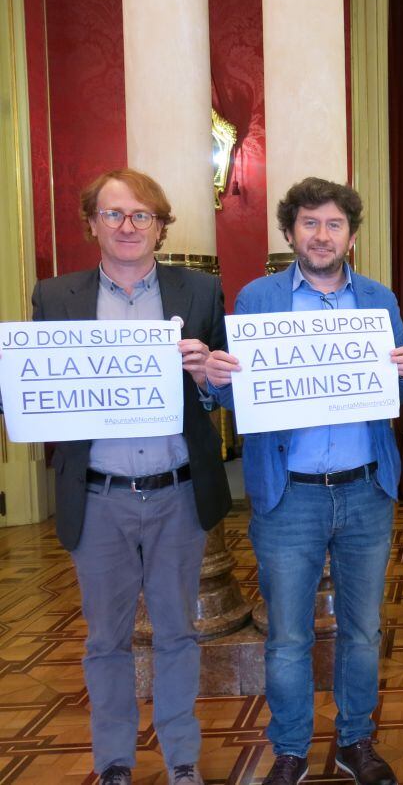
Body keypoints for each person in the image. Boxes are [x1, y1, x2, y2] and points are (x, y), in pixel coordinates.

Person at [15, 169, 232, 785]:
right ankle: (113, 761)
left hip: (178, 493)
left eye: (141, 215)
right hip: (99, 496)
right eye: (114, 214)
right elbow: (41, 388)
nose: (128, 225)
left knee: (177, 634)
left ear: (161, 226)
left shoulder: (198, 291)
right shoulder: (56, 297)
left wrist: (208, 374)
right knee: (105, 640)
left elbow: (220, 396)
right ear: (92, 225)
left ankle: (181, 759)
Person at [204, 178, 403, 785]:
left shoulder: (379, 298)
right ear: (290, 231)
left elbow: (400, 388)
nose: (321, 235)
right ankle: (291, 749)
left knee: (361, 630)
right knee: (288, 636)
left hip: (364, 490)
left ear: (351, 235)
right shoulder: (256, 298)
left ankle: (356, 742)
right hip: (288, 495)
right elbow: (231, 390)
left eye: (333, 225)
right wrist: (216, 375)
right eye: (309, 223)